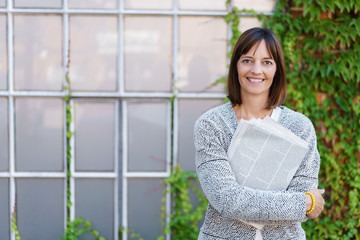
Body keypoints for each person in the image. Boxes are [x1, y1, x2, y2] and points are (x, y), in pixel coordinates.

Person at [193, 27, 325, 239]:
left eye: (267, 62)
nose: (256, 70)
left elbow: (303, 191)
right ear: (236, 66)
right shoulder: (211, 125)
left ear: (277, 70)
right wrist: (304, 203)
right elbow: (226, 199)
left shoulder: (300, 127)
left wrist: (247, 201)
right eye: (247, 60)